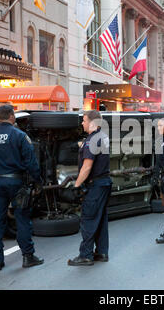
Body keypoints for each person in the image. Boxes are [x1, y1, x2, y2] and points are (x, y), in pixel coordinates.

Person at [0, 104, 44, 271]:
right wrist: (38, 181)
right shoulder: (19, 136)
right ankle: (28, 257)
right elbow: (31, 162)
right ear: (12, 116)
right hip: (16, 183)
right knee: (22, 219)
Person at [68, 110, 112, 266]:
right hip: (104, 182)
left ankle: (85, 255)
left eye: (84, 120)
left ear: (92, 122)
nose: (82, 123)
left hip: (95, 185)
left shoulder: (92, 140)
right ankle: (101, 252)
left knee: (89, 219)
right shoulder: (103, 137)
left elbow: (87, 167)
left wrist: (77, 185)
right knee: (100, 219)